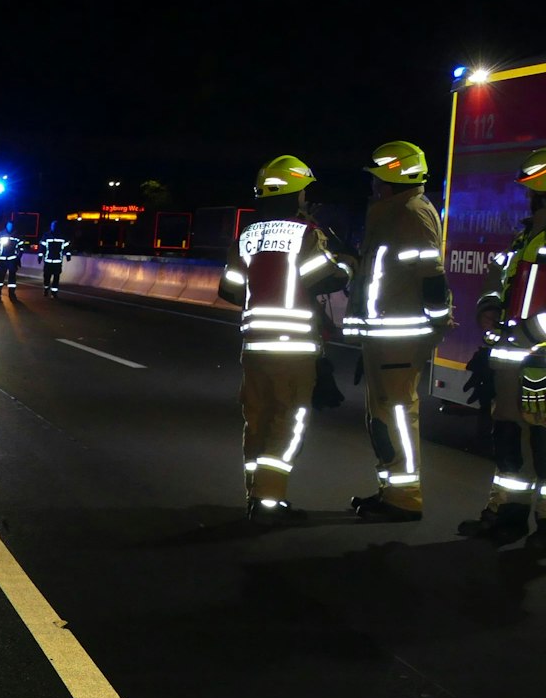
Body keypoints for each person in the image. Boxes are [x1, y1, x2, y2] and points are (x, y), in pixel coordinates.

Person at [217, 155, 352, 524]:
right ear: (296, 194)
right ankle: (269, 502)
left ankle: (254, 494)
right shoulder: (305, 234)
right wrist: (346, 262)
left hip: (253, 345)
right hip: (292, 346)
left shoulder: (245, 237)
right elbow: (328, 280)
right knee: (287, 419)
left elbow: (229, 291)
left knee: (256, 418)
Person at [344, 140, 453, 522]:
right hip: (383, 339)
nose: (373, 185)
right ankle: (392, 491)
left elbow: (431, 275)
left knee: (398, 415)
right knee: (385, 417)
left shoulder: (410, 213)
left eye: (378, 177)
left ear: (394, 176)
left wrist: (436, 324)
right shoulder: (390, 213)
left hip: (399, 339)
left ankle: (404, 498)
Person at [456, 147, 546, 545]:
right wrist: (489, 308)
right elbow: (499, 284)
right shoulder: (526, 236)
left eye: (532, 191)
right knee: (511, 444)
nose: (528, 198)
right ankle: (508, 515)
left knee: (541, 448)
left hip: (538, 362)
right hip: (514, 366)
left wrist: (526, 334)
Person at [0, 221, 23, 299]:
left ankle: (12, 292)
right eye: (9, 226)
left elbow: (21, 247)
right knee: (1, 276)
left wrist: (18, 257)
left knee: (12, 277)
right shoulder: (1, 234)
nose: (10, 227)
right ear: (7, 226)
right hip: (2, 259)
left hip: (12, 259)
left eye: (11, 226)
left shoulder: (17, 235)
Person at [39, 221, 71, 297]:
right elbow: (42, 247)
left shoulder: (62, 236)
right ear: (51, 226)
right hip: (48, 260)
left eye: (55, 226)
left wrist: (68, 255)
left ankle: (54, 293)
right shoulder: (46, 235)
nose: (54, 227)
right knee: (46, 276)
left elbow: (67, 247)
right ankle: (46, 289)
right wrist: (40, 256)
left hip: (57, 261)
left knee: (56, 277)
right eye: (53, 225)